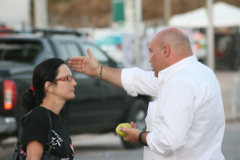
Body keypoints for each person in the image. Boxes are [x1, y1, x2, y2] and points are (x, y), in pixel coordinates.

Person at [68, 27, 225, 160]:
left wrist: (139, 136)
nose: (149, 59)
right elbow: (137, 79)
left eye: (151, 52)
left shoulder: (180, 82)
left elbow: (169, 141)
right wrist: (99, 70)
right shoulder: (201, 72)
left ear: (165, 51)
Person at [20, 58, 77, 160]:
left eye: (73, 78)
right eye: (68, 78)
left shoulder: (60, 121)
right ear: (49, 86)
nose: (74, 83)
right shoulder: (37, 118)